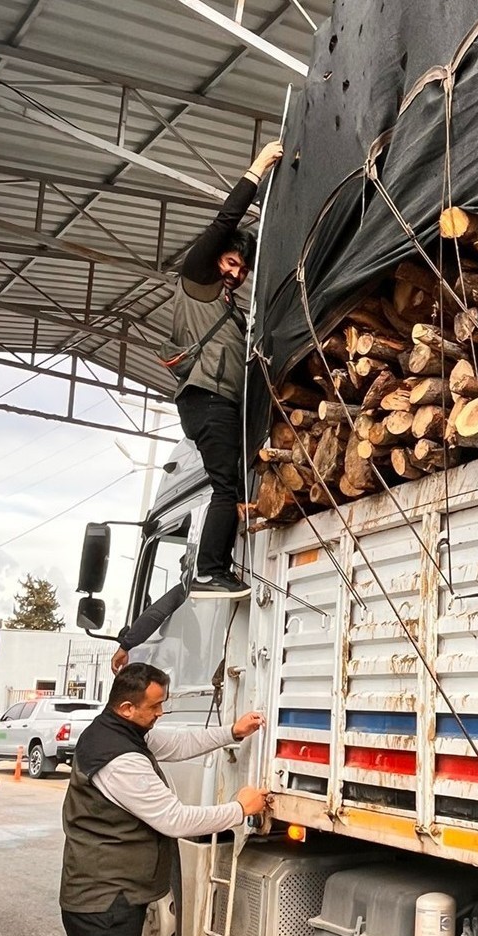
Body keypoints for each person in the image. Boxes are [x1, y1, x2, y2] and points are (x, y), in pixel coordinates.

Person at [59, 663, 269, 936]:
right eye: (155, 706)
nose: (160, 713)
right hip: (105, 902)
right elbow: (175, 820)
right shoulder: (119, 758)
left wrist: (232, 732)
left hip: (105, 895)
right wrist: (240, 809)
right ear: (127, 707)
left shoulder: (119, 731)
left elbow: (177, 744)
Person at [172, 139, 284, 599]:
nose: (236, 273)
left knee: (232, 489)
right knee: (224, 488)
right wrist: (256, 169)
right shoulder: (197, 278)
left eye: (242, 268)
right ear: (217, 258)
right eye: (231, 262)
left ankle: (220, 565)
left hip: (222, 403)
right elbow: (224, 222)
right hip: (207, 398)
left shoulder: (230, 306)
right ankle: (207, 571)